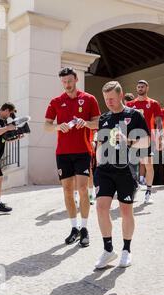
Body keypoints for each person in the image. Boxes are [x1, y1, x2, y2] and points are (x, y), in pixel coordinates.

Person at [94, 81, 150, 269]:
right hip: (105, 170)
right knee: (101, 208)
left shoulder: (135, 115)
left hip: (126, 169)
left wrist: (128, 141)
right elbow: (100, 145)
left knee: (126, 210)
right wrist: (97, 164)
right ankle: (108, 250)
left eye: (112, 98)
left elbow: (146, 142)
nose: (108, 102)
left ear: (120, 95)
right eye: (106, 99)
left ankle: (126, 250)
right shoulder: (104, 118)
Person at [44, 67, 101, 247]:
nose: (67, 85)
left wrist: (86, 123)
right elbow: (46, 125)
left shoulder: (89, 99)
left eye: (69, 81)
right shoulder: (55, 101)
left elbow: (98, 122)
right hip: (62, 153)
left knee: (83, 189)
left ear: (76, 79)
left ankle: (84, 228)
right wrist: (57, 127)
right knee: (67, 191)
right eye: (64, 82)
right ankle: (74, 228)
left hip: (83, 151)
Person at [126, 80, 162, 203]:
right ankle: (133, 186)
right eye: (139, 87)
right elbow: (126, 121)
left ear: (147, 88)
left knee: (148, 165)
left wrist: (160, 137)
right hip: (132, 138)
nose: (140, 88)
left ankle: (148, 191)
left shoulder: (153, 103)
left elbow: (158, 122)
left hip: (148, 138)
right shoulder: (130, 104)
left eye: (142, 86)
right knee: (129, 166)